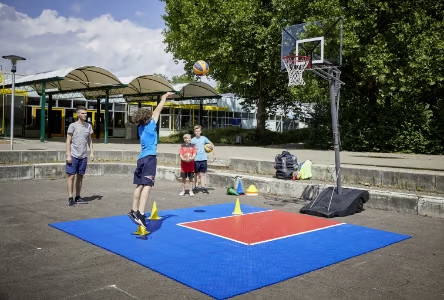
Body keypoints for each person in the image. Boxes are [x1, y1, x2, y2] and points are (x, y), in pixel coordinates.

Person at [128, 91, 175, 228]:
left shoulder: (140, 128)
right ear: (148, 117)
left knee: (139, 185)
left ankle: (133, 211)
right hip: (149, 159)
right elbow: (158, 109)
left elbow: (155, 112)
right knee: (147, 186)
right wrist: (164, 97)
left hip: (141, 159)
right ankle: (141, 215)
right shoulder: (150, 126)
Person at [66, 106, 94, 206]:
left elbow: (90, 140)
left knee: (80, 177)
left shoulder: (88, 126)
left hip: (83, 156)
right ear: (78, 114)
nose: (85, 115)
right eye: (82, 113)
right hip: (73, 155)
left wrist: (91, 152)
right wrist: (68, 155)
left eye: (86, 113)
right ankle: (70, 197)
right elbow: (68, 141)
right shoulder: (72, 126)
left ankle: (78, 197)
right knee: (71, 176)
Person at [191, 125, 216, 194]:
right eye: (196, 131)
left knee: (202, 174)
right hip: (196, 159)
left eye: (199, 131)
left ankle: (203, 187)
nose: (197, 132)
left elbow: (212, 144)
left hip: (203, 159)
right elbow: (189, 149)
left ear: (201, 131)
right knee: (196, 174)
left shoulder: (204, 138)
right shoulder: (192, 140)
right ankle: (195, 187)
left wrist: (213, 154)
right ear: (194, 132)